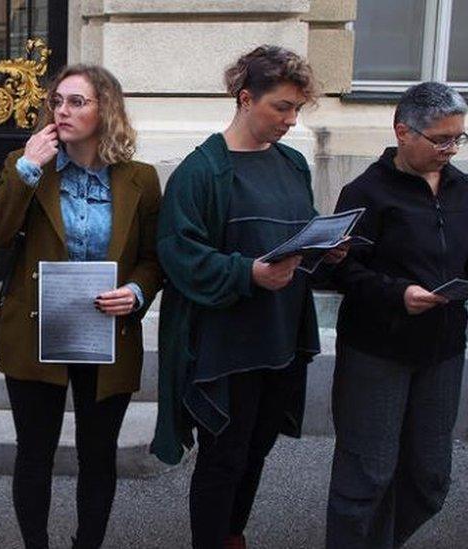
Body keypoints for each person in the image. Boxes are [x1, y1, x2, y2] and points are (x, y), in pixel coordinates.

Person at [152, 45, 346, 549]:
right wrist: (247, 274)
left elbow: (296, 234)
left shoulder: (292, 163)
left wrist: (325, 250)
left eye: (297, 109)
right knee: (225, 456)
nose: (290, 119)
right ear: (245, 98)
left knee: (258, 447)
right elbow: (180, 255)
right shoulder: (201, 170)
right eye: (281, 107)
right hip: (226, 344)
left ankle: (233, 535)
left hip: (280, 334)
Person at [0, 64, 162, 549]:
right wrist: (26, 171)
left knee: (98, 455)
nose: (62, 111)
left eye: (76, 102)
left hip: (107, 330)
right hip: (37, 330)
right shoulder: (26, 164)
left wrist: (137, 293)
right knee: (34, 454)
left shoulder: (139, 179)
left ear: (107, 110)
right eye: (57, 101)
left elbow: (153, 258)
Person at [325, 82, 468, 549]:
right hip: (377, 350)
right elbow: (343, 272)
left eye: (458, 139)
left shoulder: (463, 190)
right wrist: (397, 294)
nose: (451, 149)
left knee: (430, 481)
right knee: (366, 478)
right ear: (403, 132)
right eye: (441, 139)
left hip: (443, 350)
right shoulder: (365, 192)